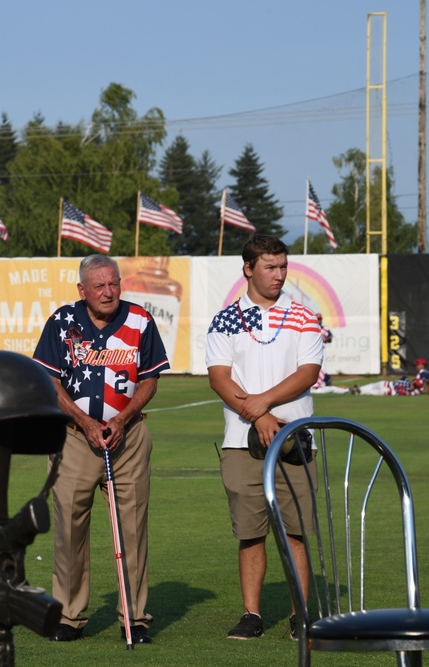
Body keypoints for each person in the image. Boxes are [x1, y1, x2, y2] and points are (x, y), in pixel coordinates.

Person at [32, 254, 170, 646]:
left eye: (114, 283)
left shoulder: (140, 320)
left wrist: (121, 421)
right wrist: (86, 422)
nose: (109, 292)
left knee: (132, 528)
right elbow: (48, 382)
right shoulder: (63, 321)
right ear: (82, 290)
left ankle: (135, 618)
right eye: (99, 286)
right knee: (69, 529)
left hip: (128, 438)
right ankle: (69, 616)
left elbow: (149, 381)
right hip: (74, 438)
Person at [205, 234, 322, 640]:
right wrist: (257, 417)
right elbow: (219, 377)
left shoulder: (305, 316)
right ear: (248, 269)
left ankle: (300, 615)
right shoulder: (225, 319)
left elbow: (307, 373)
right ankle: (252, 615)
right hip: (241, 442)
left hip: (295, 438)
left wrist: (263, 406)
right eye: (270, 267)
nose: (279, 274)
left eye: (283, 266)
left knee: (296, 530)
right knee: (250, 532)